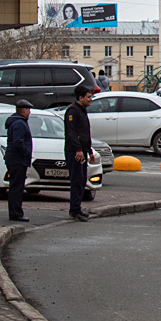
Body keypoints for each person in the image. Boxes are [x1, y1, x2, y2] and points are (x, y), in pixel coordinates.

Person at [64, 82, 95, 222]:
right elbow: (72, 133)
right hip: (75, 152)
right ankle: (75, 209)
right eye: (88, 97)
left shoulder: (82, 111)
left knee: (81, 180)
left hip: (82, 151)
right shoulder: (72, 111)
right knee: (76, 181)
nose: (90, 99)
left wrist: (89, 151)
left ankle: (77, 207)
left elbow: (85, 134)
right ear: (80, 97)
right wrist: (78, 149)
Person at [4, 100, 33, 222]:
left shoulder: (16, 122)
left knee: (15, 186)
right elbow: (18, 142)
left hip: (15, 159)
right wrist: (27, 152)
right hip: (17, 160)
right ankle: (16, 213)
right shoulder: (20, 124)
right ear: (24, 110)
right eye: (29, 110)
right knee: (17, 188)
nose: (30, 112)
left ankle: (15, 212)